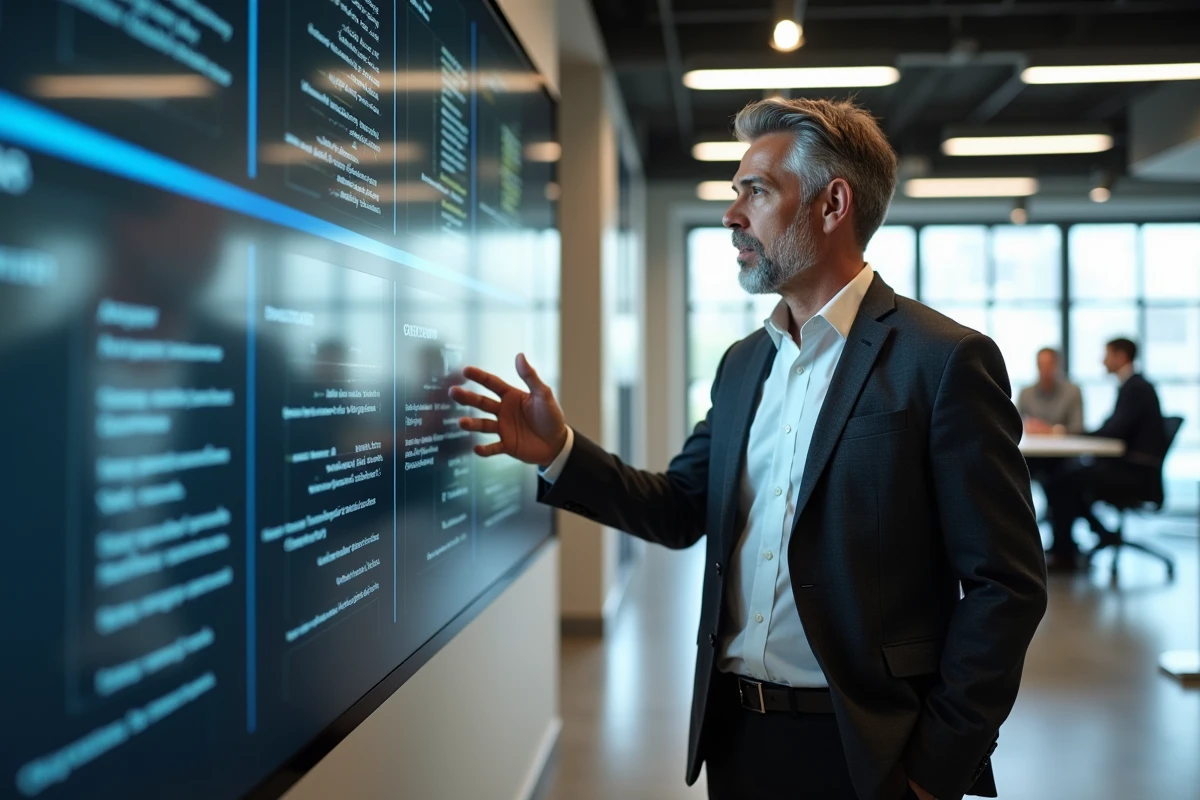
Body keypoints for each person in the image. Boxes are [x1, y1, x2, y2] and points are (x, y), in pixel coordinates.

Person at [452, 98, 1047, 800]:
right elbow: (679, 508)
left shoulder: (941, 361)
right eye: (736, 192)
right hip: (737, 741)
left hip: (871, 751)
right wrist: (559, 451)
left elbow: (1005, 586)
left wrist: (933, 769)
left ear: (833, 204)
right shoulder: (743, 365)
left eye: (756, 191)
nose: (732, 215)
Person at [1043, 338, 1168, 571]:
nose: (1103, 360)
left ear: (1121, 356)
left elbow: (1113, 431)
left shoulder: (1136, 388)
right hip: (1131, 468)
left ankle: (1065, 555)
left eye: (1107, 354)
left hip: (1134, 474)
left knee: (1060, 481)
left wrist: (1068, 433)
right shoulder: (1133, 386)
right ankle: (1096, 536)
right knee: (1064, 478)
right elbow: (1113, 429)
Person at [1018, 348, 1084, 435]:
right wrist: (1028, 426)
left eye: (1049, 365)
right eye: (1041, 365)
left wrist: (1053, 430)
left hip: (1065, 446)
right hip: (1032, 446)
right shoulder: (1026, 393)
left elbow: (1078, 427)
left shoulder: (1072, 392)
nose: (1045, 370)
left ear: (1057, 365)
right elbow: (1014, 424)